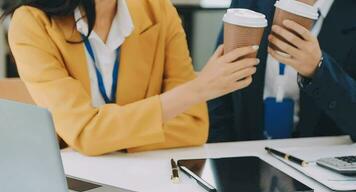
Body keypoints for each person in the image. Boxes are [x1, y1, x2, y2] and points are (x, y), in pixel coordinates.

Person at [6, 0, 260, 156]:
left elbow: (193, 126)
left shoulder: (159, 11)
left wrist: (109, 136)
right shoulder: (32, 23)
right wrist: (198, 89)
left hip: (146, 177)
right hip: (73, 180)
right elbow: (85, 132)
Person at [209, 0, 356, 142]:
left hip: (317, 160)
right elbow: (219, 94)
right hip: (247, 157)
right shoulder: (248, 3)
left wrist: (318, 69)